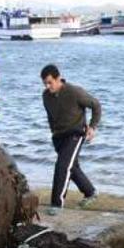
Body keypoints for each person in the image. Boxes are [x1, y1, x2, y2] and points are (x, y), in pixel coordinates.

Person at [40, 64, 100, 215]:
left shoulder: (74, 92)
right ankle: (90, 192)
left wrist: (92, 127)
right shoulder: (45, 96)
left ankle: (56, 204)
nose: (48, 87)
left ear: (58, 78)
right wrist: (53, 134)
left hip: (76, 133)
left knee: (62, 167)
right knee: (71, 168)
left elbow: (96, 105)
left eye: (50, 82)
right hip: (58, 137)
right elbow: (50, 117)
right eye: (45, 83)